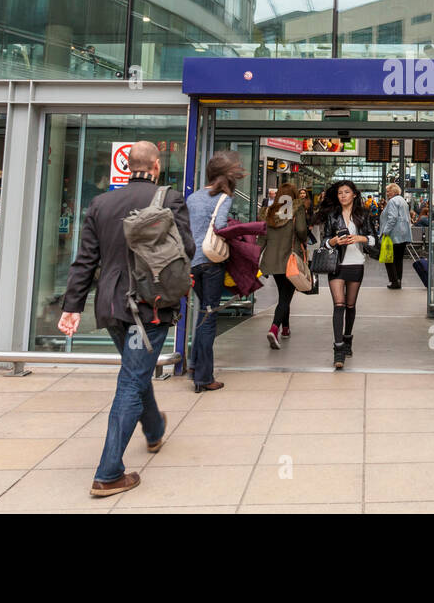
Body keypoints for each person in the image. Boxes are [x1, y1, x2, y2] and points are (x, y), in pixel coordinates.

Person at [59, 140, 193, 497]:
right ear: (156, 165)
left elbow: (85, 260)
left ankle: (152, 431)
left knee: (136, 370)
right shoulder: (169, 199)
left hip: (111, 306)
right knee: (132, 379)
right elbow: (188, 250)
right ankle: (108, 472)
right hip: (149, 306)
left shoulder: (101, 203)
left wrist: (72, 306)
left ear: (128, 166)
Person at [185, 150, 245, 393]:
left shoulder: (193, 197)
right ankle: (204, 377)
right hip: (212, 262)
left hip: (193, 262)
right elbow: (220, 226)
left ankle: (193, 365)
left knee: (202, 312)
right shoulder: (223, 198)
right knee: (209, 316)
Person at [316, 179, 378, 369]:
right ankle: (338, 348)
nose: (343, 195)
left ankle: (348, 338)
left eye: (346, 192)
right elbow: (324, 242)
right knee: (339, 304)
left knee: (350, 305)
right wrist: (333, 241)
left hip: (356, 263)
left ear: (354, 195)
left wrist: (361, 238)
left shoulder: (364, 214)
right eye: (340, 193)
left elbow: (375, 240)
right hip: (336, 265)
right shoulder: (332, 216)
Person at [258, 182, 309, 349]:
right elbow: (301, 230)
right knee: (286, 298)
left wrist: (256, 259)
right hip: (291, 260)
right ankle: (274, 328)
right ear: (293, 196)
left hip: (272, 261)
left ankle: (285, 329)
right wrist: (304, 239)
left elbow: (262, 240)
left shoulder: (269, 212)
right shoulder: (297, 209)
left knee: (283, 295)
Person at [378, 182, 413, 289]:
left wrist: (385, 232)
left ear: (394, 192)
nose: (387, 193)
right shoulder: (402, 201)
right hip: (403, 235)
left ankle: (394, 281)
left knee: (389, 258)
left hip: (394, 235)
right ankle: (398, 280)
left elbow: (392, 218)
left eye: (388, 191)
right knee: (398, 259)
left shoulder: (393, 201)